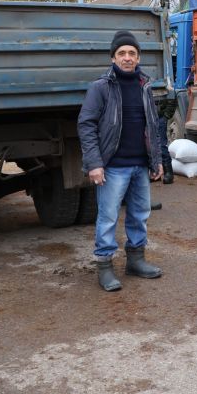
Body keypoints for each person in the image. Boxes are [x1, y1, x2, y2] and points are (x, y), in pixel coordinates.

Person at [78, 30, 164, 292]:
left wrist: (156, 161)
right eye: (122, 53)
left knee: (140, 215)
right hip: (113, 166)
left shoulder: (144, 85)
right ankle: (104, 266)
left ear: (138, 58)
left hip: (140, 165)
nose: (127, 58)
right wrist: (94, 163)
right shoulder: (100, 87)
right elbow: (86, 125)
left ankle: (135, 261)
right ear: (113, 58)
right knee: (108, 217)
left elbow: (153, 125)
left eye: (132, 53)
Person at [157, 96, 176, 184]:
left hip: (160, 117)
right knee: (148, 146)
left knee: (161, 145)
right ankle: (154, 172)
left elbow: (172, 98)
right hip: (146, 117)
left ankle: (168, 173)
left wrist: (165, 117)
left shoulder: (165, 82)